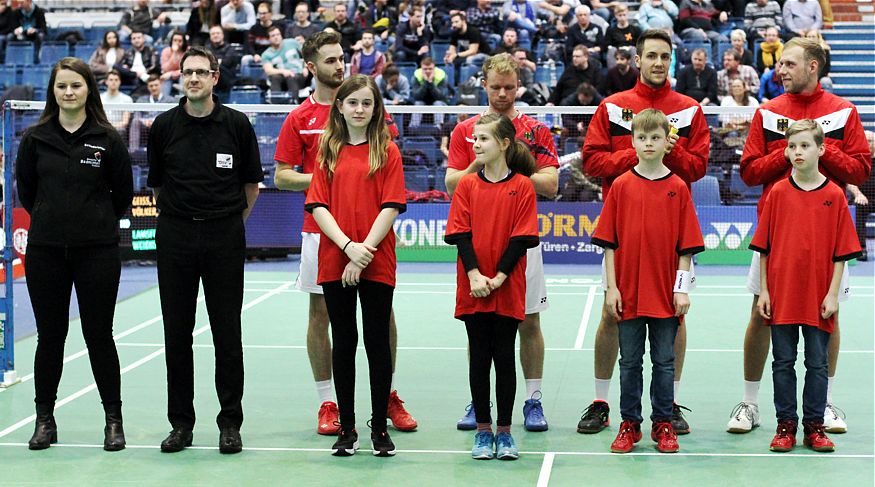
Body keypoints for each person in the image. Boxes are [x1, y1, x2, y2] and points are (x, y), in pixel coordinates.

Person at [273, 31, 415, 437]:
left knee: (382, 315)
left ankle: (386, 395)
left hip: (370, 235)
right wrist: (329, 180)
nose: (340, 66)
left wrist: (346, 180)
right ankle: (328, 402)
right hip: (322, 232)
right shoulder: (299, 119)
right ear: (311, 66)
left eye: (342, 58)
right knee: (321, 315)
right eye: (331, 60)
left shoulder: (368, 108)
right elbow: (281, 176)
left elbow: (384, 170)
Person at [729, 37, 871, 434]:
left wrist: (820, 148)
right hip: (775, 235)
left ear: (813, 66)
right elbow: (749, 172)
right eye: (781, 64)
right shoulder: (768, 112)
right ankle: (750, 404)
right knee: (761, 315)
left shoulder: (843, 111)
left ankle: (822, 404)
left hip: (828, 237)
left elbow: (860, 170)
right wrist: (790, 149)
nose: (781, 70)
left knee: (829, 317)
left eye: (789, 64)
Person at [580, 29, 710, 436]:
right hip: (624, 231)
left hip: (670, 234)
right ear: (637, 60)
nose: (657, 63)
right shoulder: (612, 107)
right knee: (611, 313)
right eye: (651, 55)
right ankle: (602, 401)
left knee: (676, 316)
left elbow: (698, 168)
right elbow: (592, 162)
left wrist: (672, 150)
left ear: (671, 61)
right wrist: (637, 154)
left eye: (664, 57)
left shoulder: (689, 110)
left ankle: (668, 405)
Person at [147, 46, 262, 454]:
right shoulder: (163, 126)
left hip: (223, 236)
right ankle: (181, 424)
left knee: (227, 334)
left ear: (215, 77)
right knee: (176, 334)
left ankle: (230, 423)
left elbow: (251, 186)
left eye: (201, 72)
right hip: (176, 236)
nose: (193, 78)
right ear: (180, 78)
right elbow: (157, 186)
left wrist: (228, 224)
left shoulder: (236, 124)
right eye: (187, 72)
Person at [15, 57, 133, 452]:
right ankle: (44, 421)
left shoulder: (107, 138)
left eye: (76, 85)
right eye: (62, 86)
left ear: (88, 90)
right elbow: (27, 192)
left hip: (97, 252)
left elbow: (122, 194)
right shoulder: (34, 139)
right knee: (50, 337)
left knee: (99, 335)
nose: (69, 92)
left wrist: (92, 221)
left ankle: (113, 422)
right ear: (53, 91)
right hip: (46, 252)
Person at [446, 53, 559, 433]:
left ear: (518, 86)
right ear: (484, 85)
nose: (502, 94)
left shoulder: (536, 130)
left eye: (509, 88)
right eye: (495, 87)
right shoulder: (467, 131)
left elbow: (550, 183)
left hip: (520, 242)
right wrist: (483, 158)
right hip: (478, 243)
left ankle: (533, 398)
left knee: (529, 319)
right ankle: (480, 402)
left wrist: (508, 169)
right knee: (478, 324)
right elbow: (452, 183)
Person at [304, 74, 406, 458]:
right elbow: (318, 206)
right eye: (353, 103)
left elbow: (391, 206)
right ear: (340, 107)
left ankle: (379, 427)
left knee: (377, 342)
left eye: (366, 103)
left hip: (377, 260)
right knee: (344, 343)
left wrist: (364, 252)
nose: (359, 109)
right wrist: (348, 247)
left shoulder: (388, 151)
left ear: (376, 108)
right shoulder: (327, 152)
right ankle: (347, 429)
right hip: (336, 259)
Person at [591, 108, 704, 454]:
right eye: (642, 137)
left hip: (666, 295)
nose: (649, 143)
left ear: (667, 141)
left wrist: (681, 288)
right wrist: (612, 288)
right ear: (633, 142)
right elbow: (609, 244)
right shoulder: (621, 186)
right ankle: (629, 424)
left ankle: (663, 423)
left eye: (656, 137)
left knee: (665, 362)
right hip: (628, 293)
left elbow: (686, 247)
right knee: (629, 362)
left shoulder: (678, 187)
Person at [749, 119, 862, 453]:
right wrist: (765, 290)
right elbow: (765, 248)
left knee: (817, 363)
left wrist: (833, 294)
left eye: (805, 146)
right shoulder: (778, 193)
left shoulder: (834, 195)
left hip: (818, 297)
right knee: (782, 362)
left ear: (821, 149)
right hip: (781, 295)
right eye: (792, 146)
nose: (797, 152)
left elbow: (841, 254)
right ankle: (785, 425)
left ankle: (814, 426)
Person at [445, 113, 539, 461]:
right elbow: (460, 233)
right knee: (479, 357)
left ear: (504, 143)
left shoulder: (523, 187)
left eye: (483, 139)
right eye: (474, 139)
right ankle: (483, 431)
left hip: (507, 286)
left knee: (504, 356)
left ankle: (505, 432)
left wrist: (499, 277)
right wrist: (474, 275)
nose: (476, 145)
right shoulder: (467, 185)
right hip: (473, 286)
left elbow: (521, 237)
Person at [260, 25, 305, 101]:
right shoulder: (266, 54)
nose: (276, 37)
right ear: (269, 39)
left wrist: (306, 67)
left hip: (298, 74)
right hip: (282, 76)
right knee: (275, 77)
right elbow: (268, 70)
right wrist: (283, 71)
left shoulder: (292, 42)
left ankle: (293, 103)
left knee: (291, 78)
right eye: (273, 36)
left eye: (278, 34)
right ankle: (276, 105)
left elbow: (307, 55)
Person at [410, 56, 451, 127]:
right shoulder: (416, 76)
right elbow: (416, 96)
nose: (428, 71)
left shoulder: (441, 76)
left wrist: (431, 83)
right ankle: (413, 127)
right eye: (425, 69)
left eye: (430, 69)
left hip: (439, 101)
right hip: (423, 101)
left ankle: (438, 127)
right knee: (418, 103)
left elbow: (441, 97)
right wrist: (426, 82)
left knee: (438, 103)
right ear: (421, 68)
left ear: (434, 68)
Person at [604, 4, 641, 69]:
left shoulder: (635, 29)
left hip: (630, 51)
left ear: (627, 14)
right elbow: (606, 44)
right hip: (616, 52)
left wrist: (629, 47)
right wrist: (617, 48)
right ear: (616, 15)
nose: (622, 18)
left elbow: (639, 44)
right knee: (611, 50)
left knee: (634, 49)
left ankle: (634, 73)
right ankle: (613, 73)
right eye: (620, 15)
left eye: (624, 15)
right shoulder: (610, 29)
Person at [100, 70, 133, 135]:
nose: (113, 82)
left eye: (116, 80)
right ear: (106, 82)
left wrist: (111, 127)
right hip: (103, 128)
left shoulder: (127, 99)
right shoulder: (99, 98)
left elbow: (125, 122)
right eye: (111, 80)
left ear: (120, 82)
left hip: (119, 129)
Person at [159, 30, 187, 98]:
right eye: (175, 40)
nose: (177, 43)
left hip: (183, 75)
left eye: (180, 41)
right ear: (171, 41)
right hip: (168, 77)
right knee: (165, 79)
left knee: (183, 76)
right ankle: (164, 101)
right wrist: (174, 53)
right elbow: (165, 69)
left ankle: (183, 100)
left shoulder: (188, 52)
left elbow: (187, 69)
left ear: (183, 42)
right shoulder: (166, 51)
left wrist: (171, 74)